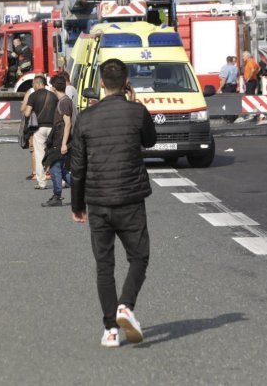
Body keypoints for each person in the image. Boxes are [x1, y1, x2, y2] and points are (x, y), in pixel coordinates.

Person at [70, 58, 157, 348]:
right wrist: (135, 103)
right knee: (139, 257)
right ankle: (126, 306)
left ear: (101, 84)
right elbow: (150, 141)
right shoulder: (137, 112)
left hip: (97, 200)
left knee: (104, 266)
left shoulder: (85, 118)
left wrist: (76, 204)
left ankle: (110, 330)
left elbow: (78, 166)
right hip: (130, 199)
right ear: (127, 81)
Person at [41, 73, 74, 207]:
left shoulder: (64, 102)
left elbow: (68, 123)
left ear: (54, 88)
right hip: (61, 139)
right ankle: (83, 191)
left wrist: (64, 144)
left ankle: (57, 196)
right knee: (61, 169)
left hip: (61, 140)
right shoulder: (64, 101)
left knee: (55, 167)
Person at [22, 75, 57, 190]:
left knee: (39, 154)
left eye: (34, 85)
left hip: (39, 128)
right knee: (55, 154)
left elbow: (27, 113)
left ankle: (41, 182)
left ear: (38, 84)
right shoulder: (53, 95)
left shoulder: (33, 95)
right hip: (53, 127)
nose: (34, 87)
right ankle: (60, 180)